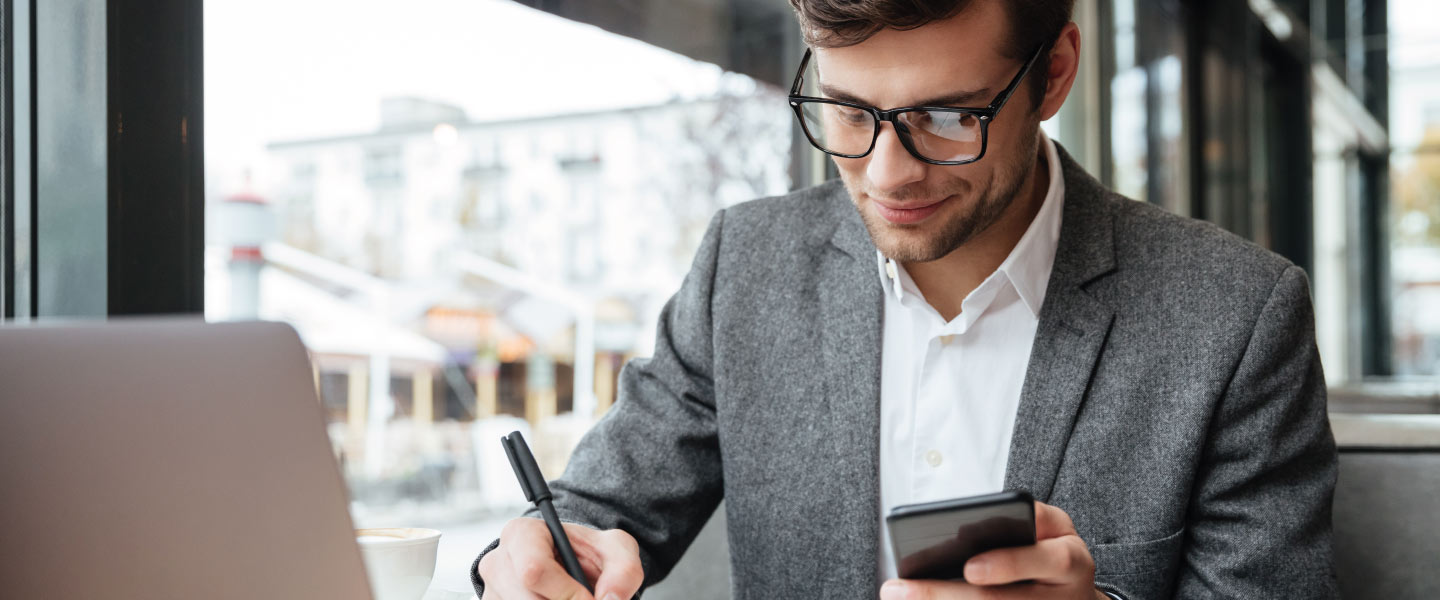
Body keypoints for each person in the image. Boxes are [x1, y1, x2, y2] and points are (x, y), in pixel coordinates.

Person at [472, 0, 1338, 598]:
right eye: (848, 112)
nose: (887, 174)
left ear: (1056, 74)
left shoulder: (1235, 319)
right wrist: (533, 557)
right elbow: (597, 513)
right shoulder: (747, 266)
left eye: (950, 118)